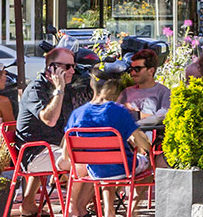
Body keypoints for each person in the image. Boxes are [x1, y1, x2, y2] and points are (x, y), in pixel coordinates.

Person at [65, 65, 154, 216]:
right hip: (122, 168)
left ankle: (109, 210)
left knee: (107, 168)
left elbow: (67, 154)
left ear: (92, 85)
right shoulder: (120, 111)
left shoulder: (77, 114)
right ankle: (132, 211)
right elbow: (144, 145)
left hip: (94, 171)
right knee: (149, 163)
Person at [16, 47, 91, 217]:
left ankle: (78, 208)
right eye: (67, 67)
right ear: (52, 68)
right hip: (35, 153)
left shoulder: (67, 88)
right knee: (85, 164)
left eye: (74, 66)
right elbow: (49, 120)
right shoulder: (36, 89)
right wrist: (59, 90)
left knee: (96, 157)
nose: (73, 71)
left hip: (54, 149)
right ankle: (74, 210)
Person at [121, 49, 170, 120]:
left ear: (151, 71)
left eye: (137, 69)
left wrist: (136, 114)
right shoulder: (127, 92)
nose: (133, 73)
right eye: (131, 69)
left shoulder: (163, 92)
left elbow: (161, 117)